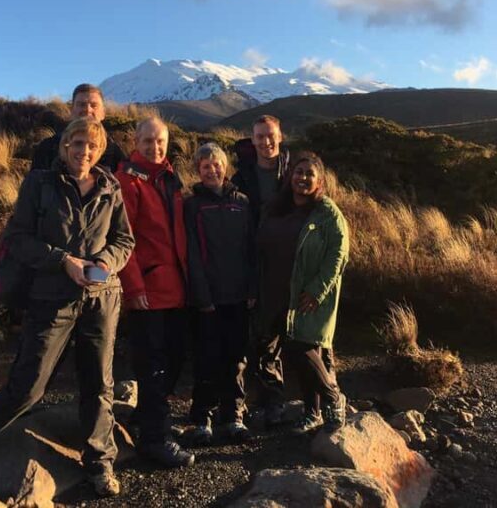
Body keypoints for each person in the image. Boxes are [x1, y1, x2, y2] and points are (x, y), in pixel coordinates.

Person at [0, 118, 135, 497]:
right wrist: (63, 260)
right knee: (29, 385)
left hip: (101, 300)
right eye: (77, 143)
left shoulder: (109, 188)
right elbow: (18, 239)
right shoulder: (40, 183)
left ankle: (100, 462)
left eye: (91, 146)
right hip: (52, 299)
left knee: (98, 384)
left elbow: (124, 240)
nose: (84, 151)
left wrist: (105, 261)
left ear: (99, 151)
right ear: (64, 146)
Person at [115, 116, 194, 468]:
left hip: (175, 288)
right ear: (136, 141)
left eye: (160, 141)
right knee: (153, 365)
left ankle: (145, 418)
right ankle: (155, 439)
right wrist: (133, 285)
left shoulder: (169, 178)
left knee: (174, 358)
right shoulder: (128, 180)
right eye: (147, 141)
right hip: (147, 290)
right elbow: (123, 238)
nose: (154, 147)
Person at [254, 152, 349, 434]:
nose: (303, 178)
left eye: (310, 173)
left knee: (303, 347)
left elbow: (338, 255)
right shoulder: (276, 208)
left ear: (319, 180)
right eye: (299, 171)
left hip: (307, 295)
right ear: (290, 175)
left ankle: (332, 398)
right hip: (274, 290)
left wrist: (318, 289)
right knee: (287, 352)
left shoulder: (327, 212)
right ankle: (312, 413)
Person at [183, 143, 256, 445]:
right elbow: (191, 253)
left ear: (225, 167)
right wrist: (201, 295)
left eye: (216, 165)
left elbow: (251, 250)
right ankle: (202, 417)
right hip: (208, 299)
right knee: (207, 357)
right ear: (198, 171)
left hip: (238, 296)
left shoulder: (242, 202)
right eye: (205, 167)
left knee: (236, 357)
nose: (212, 170)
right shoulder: (192, 206)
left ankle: (234, 415)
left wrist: (252, 289)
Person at [31, 83, 126, 172]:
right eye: (81, 104)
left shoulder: (115, 152)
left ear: (103, 113)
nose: (87, 110)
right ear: (72, 110)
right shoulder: (48, 148)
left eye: (94, 105)